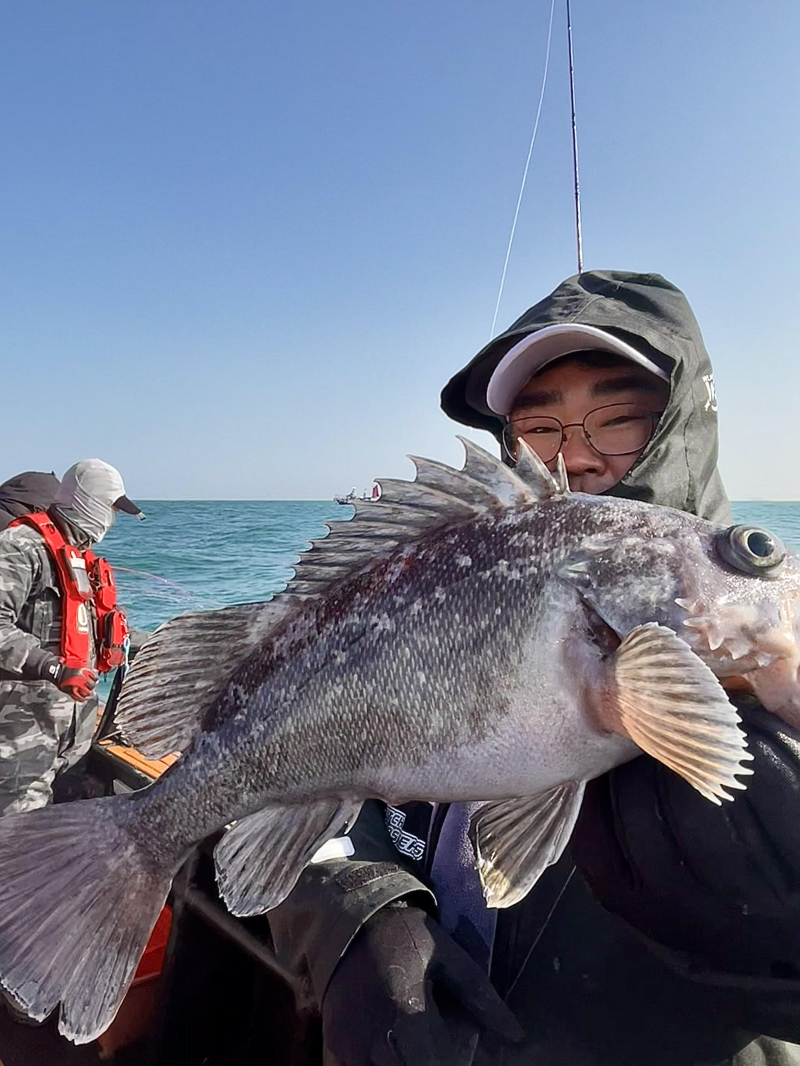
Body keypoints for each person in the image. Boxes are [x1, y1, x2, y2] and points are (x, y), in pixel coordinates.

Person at [267, 271, 800, 1066]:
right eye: (539, 427)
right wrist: (355, 918)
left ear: (686, 425)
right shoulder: (440, 591)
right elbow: (282, 760)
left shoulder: (762, 642)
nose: (574, 456)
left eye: (619, 420)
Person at [0, 458, 145, 815]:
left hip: (69, 734)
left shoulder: (79, 558)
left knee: (54, 831)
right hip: (22, 733)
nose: (110, 518)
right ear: (87, 500)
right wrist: (53, 669)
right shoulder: (21, 546)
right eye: (110, 507)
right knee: (19, 838)